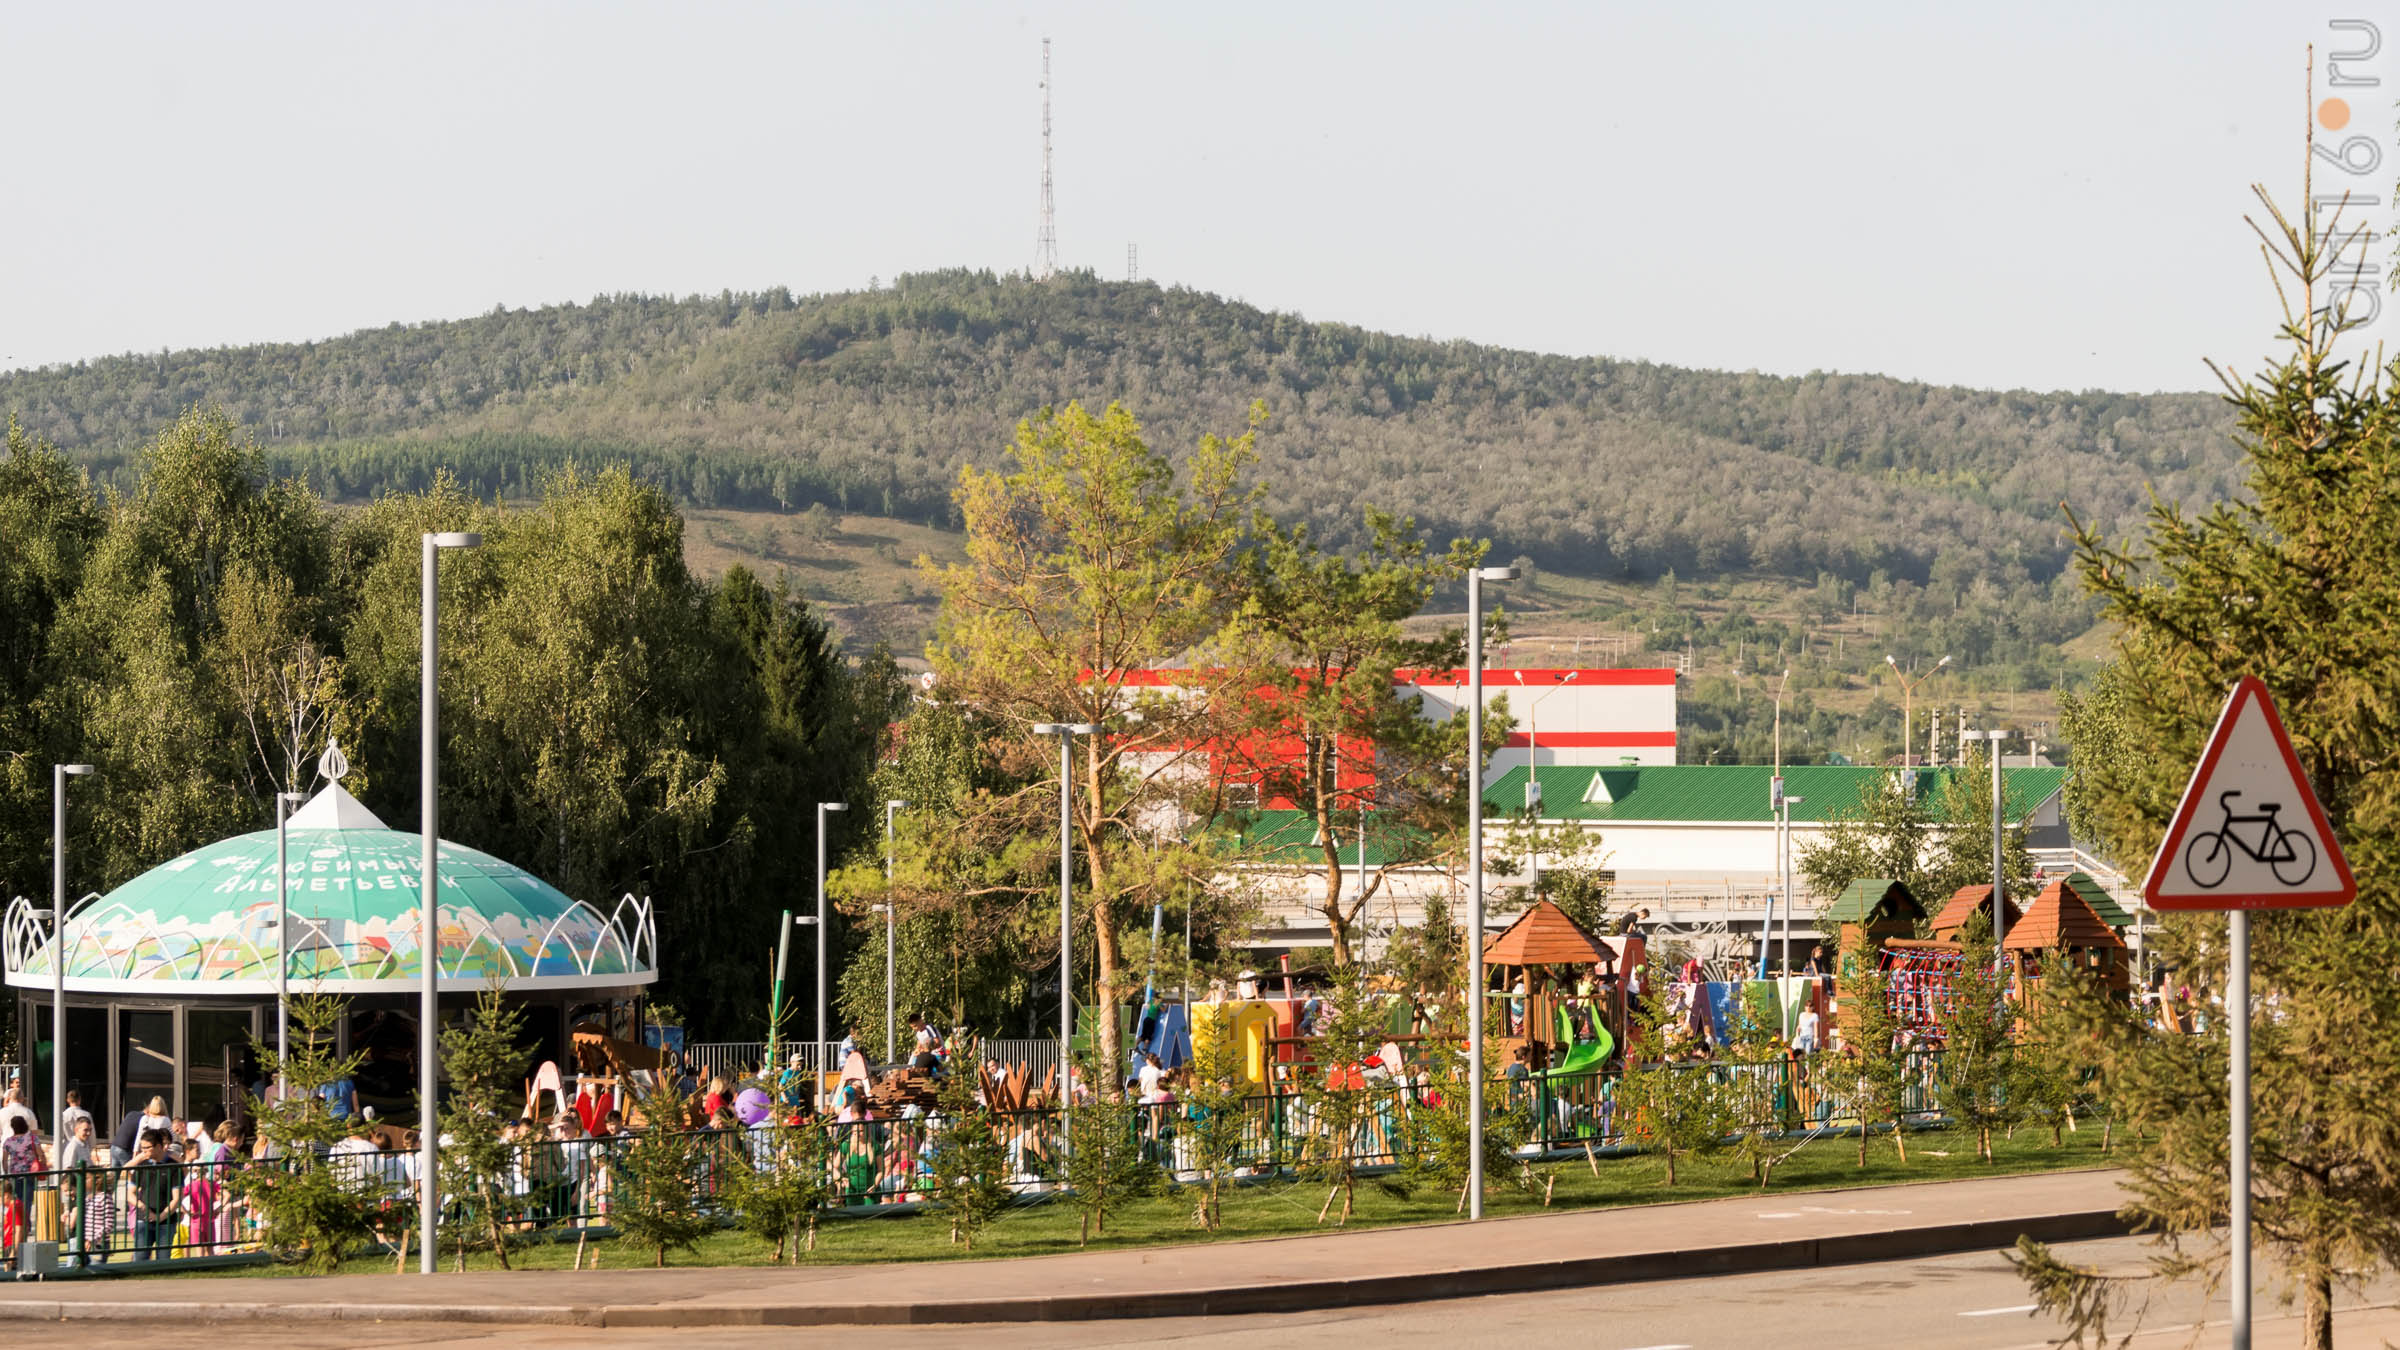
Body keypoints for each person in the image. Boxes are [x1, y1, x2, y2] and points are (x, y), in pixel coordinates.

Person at [126, 1128, 181, 1262]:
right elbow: (130, 1194)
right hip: (143, 1220)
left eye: (147, 1148)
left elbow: (177, 1198)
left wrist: (159, 1217)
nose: (143, 1151)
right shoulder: (141, 1166)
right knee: (140, 1259)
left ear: (158, 1146)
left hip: (166, 1221)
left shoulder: (173, 1167)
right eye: (142, 1148)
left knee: (163, 1260)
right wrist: (142, 1206)